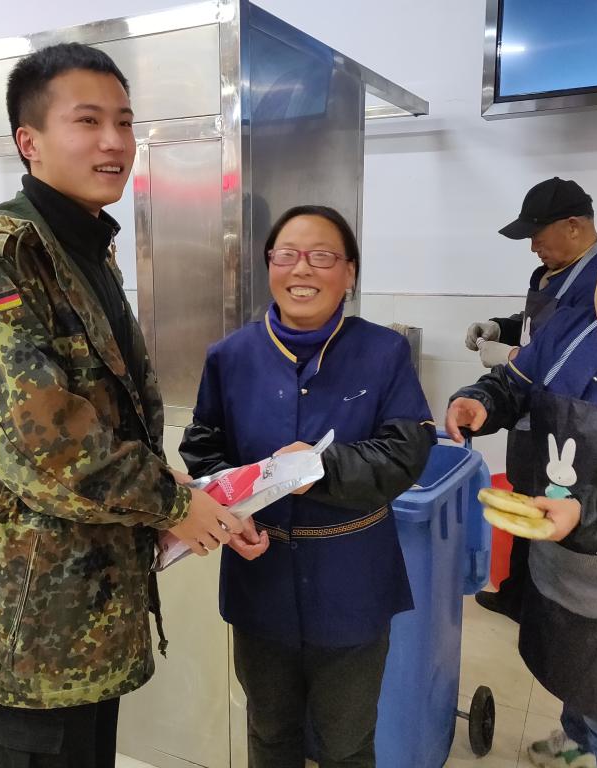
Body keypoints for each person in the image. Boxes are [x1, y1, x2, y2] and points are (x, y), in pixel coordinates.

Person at [0, 42, 243, 768]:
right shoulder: (1, 258)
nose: (114, 141)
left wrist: (168, 488)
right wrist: (171, 505)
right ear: (30, 141)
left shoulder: (83, 246)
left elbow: (107, 410)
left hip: (94, 598)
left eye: (124, 122)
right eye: (88, 121)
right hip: (39, 609)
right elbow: (44, 441)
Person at [180, 205, 436, 768]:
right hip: (260, 576)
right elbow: (203, 449)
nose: (302, 269)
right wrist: (232, 512)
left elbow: (406, 452)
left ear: (349, 273)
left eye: (322, 256)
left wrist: (320, 466)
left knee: (345, 743)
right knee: (270, 733)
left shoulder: (383, 352)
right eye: (287, 255)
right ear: (268, 265)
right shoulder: (230, 356)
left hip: (352, 579)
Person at [447, 207, 597, 768]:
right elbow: (513, 384)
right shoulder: (570, 329)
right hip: (561, 554)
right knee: (572, 666)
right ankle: (575, 741)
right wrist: (480, 402)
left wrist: (583, 513)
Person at [464, 177, 597, 621]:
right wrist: (503, 327)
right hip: (531, 405)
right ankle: (516, 594)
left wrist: (511, 358)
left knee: (552, 500)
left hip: (570, 415)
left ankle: (543, 605)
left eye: (537, 235)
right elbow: (541, 324)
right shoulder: (555, 269)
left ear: (573, 226)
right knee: (525, 492)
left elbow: (578, 350)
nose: (533, 247)